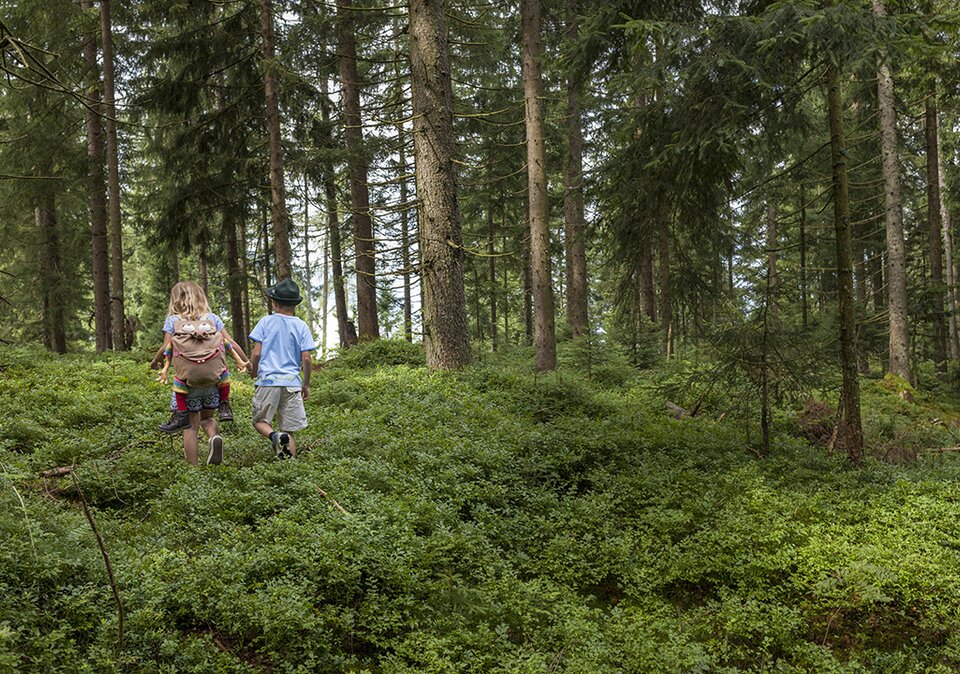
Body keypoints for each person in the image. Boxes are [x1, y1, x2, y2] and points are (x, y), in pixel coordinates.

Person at [151, 281, 249, 442]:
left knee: (190, 426)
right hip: (213, 379)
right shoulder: (212, 319)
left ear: (175, 299)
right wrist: (247, 363)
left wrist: (155, 361)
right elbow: (230, 342)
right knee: (208, 419)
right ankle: (214, 438)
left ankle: (193, 467)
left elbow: (164, 348)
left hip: (187, 381)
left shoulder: (173, 321)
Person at [249, 278, 316, 459]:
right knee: (289, 430)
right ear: (294, 305)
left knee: (260, 421)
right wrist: (306, 384)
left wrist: (254, 371)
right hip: (292, 384)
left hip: (268, 381)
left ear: (275, 302)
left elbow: (256, 354)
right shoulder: (301, 326)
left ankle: (274, 436)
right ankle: (290, 469)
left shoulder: (265, 322)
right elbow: (307, 359)